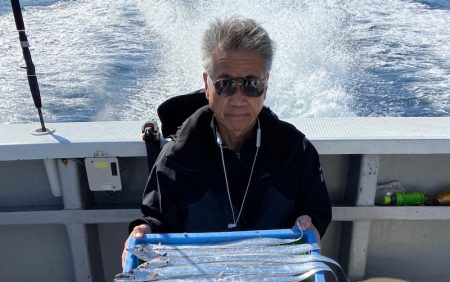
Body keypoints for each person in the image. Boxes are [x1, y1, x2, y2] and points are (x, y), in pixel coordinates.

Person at [123, 17, 331, 264]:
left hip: (273, 274)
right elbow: (157, 220)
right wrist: (142, 231)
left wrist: (312, 223)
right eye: (225, 85)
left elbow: (315, 209)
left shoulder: (296, 150)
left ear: (266, 86)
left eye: (251, 84)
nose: (238, 98)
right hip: (201, 279)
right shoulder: (176, 158)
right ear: (207, 86)